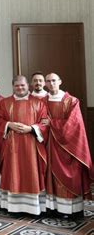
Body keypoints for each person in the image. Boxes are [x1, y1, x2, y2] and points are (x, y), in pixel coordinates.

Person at [0, 75, 49, 215]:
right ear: (13, 86)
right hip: (11, 146)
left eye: (22, 85)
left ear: (28, 86)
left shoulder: (39, 103)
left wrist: (31, 129)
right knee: (13, 172)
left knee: (31, 172)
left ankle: (33, 207)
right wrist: (9, 124)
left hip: (31, 145)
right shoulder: (4, 103)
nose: (20, 88)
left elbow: (44, 123)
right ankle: (13, 207)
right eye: (17, 86)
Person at [44, 73, 93, 217]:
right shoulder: (43, 101)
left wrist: (52, 123)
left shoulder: (71, 101)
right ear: (45, 84)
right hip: (51, 144)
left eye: (54, 80)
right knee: (51, 176)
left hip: (70, 147)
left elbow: (74, 125)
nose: (51, 83)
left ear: (60, 81)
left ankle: (74, 211)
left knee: (72, 176)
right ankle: (55, 209)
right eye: (48, 81)